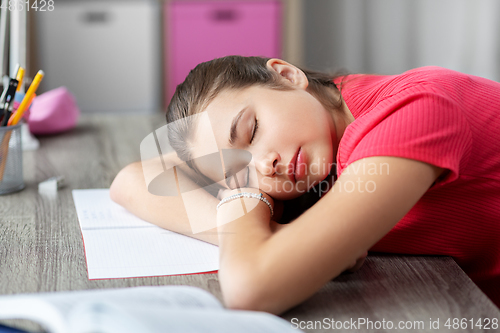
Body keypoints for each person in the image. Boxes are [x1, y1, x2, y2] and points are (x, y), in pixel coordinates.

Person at [110, 56, 500, 315]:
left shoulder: (417, 108)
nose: (263, 163)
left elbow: (251, 289)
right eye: (238, 171)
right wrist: (280, 233)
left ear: (286, 75)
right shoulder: (318, 128)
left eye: (253, 130)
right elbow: (131, 179)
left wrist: (241, 203)